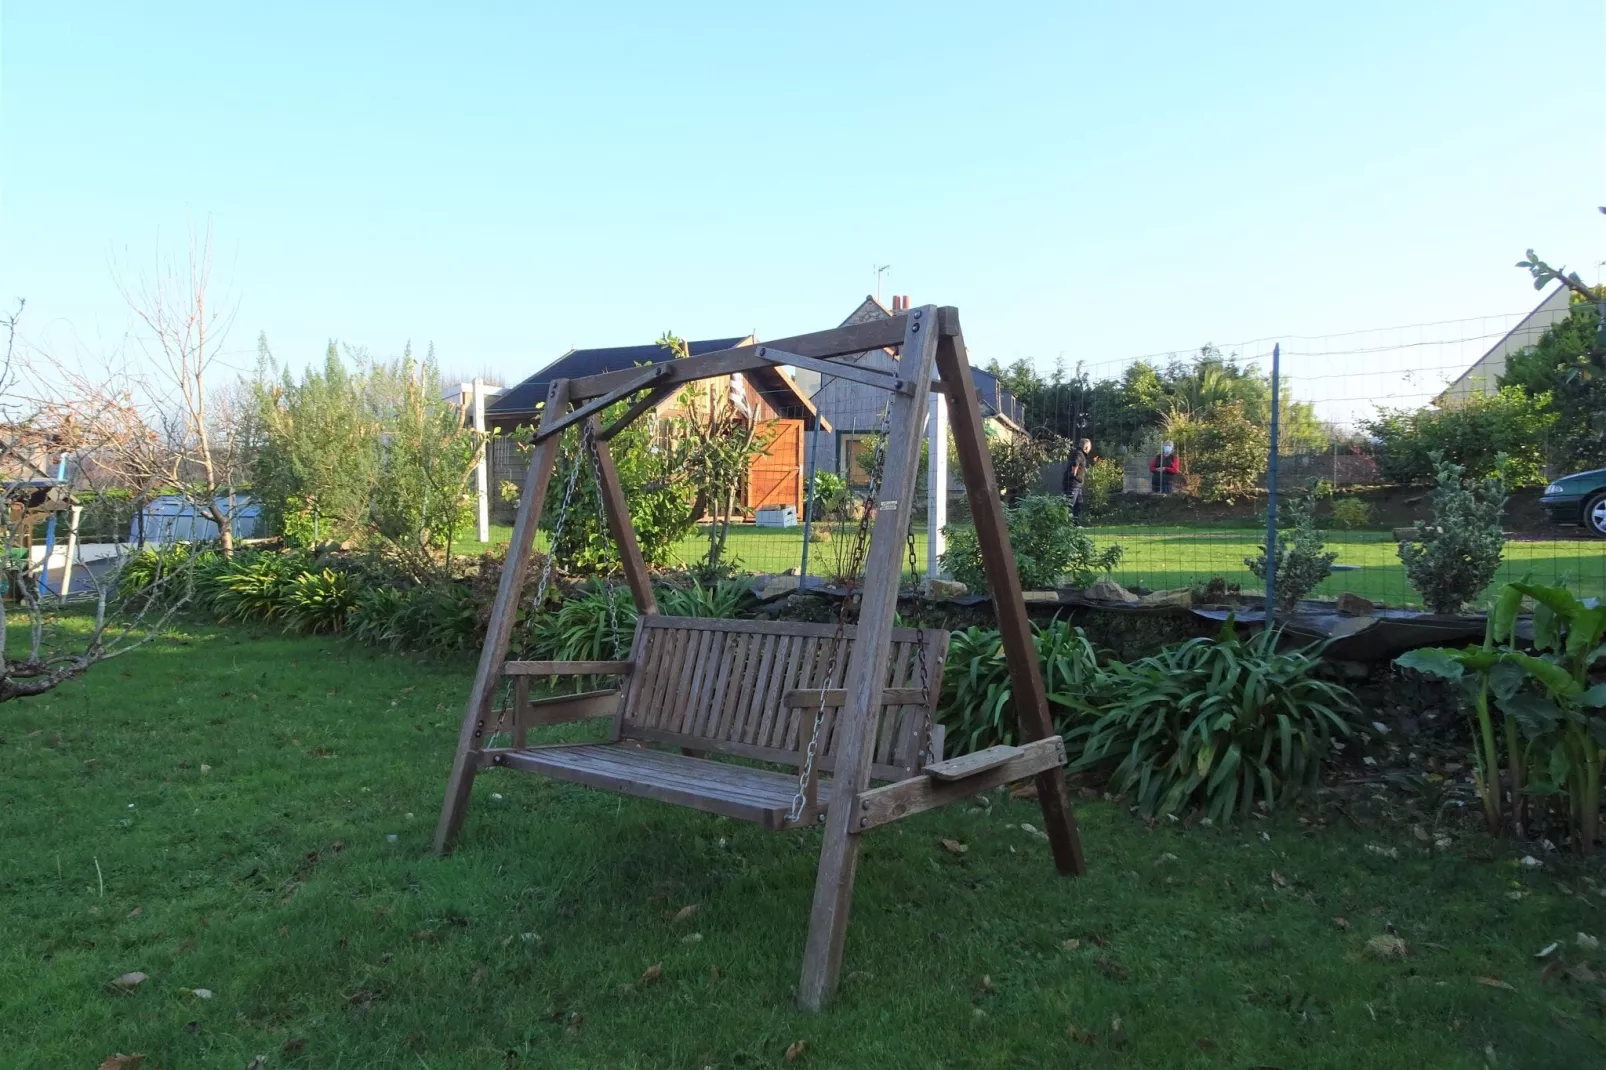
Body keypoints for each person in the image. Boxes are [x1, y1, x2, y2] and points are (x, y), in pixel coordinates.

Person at [1063, 437, 1092, 521]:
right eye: (1089, 447)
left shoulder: (1080, 454)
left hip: (1077, 484)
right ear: (1086, 447)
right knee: (1070, 504)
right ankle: (1065, 523)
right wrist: (1074, 474)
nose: (1090, 449)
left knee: (1079, 503)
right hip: (1073, 483)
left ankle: (1075, 524)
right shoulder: (1078, 454)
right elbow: (1075, 463)